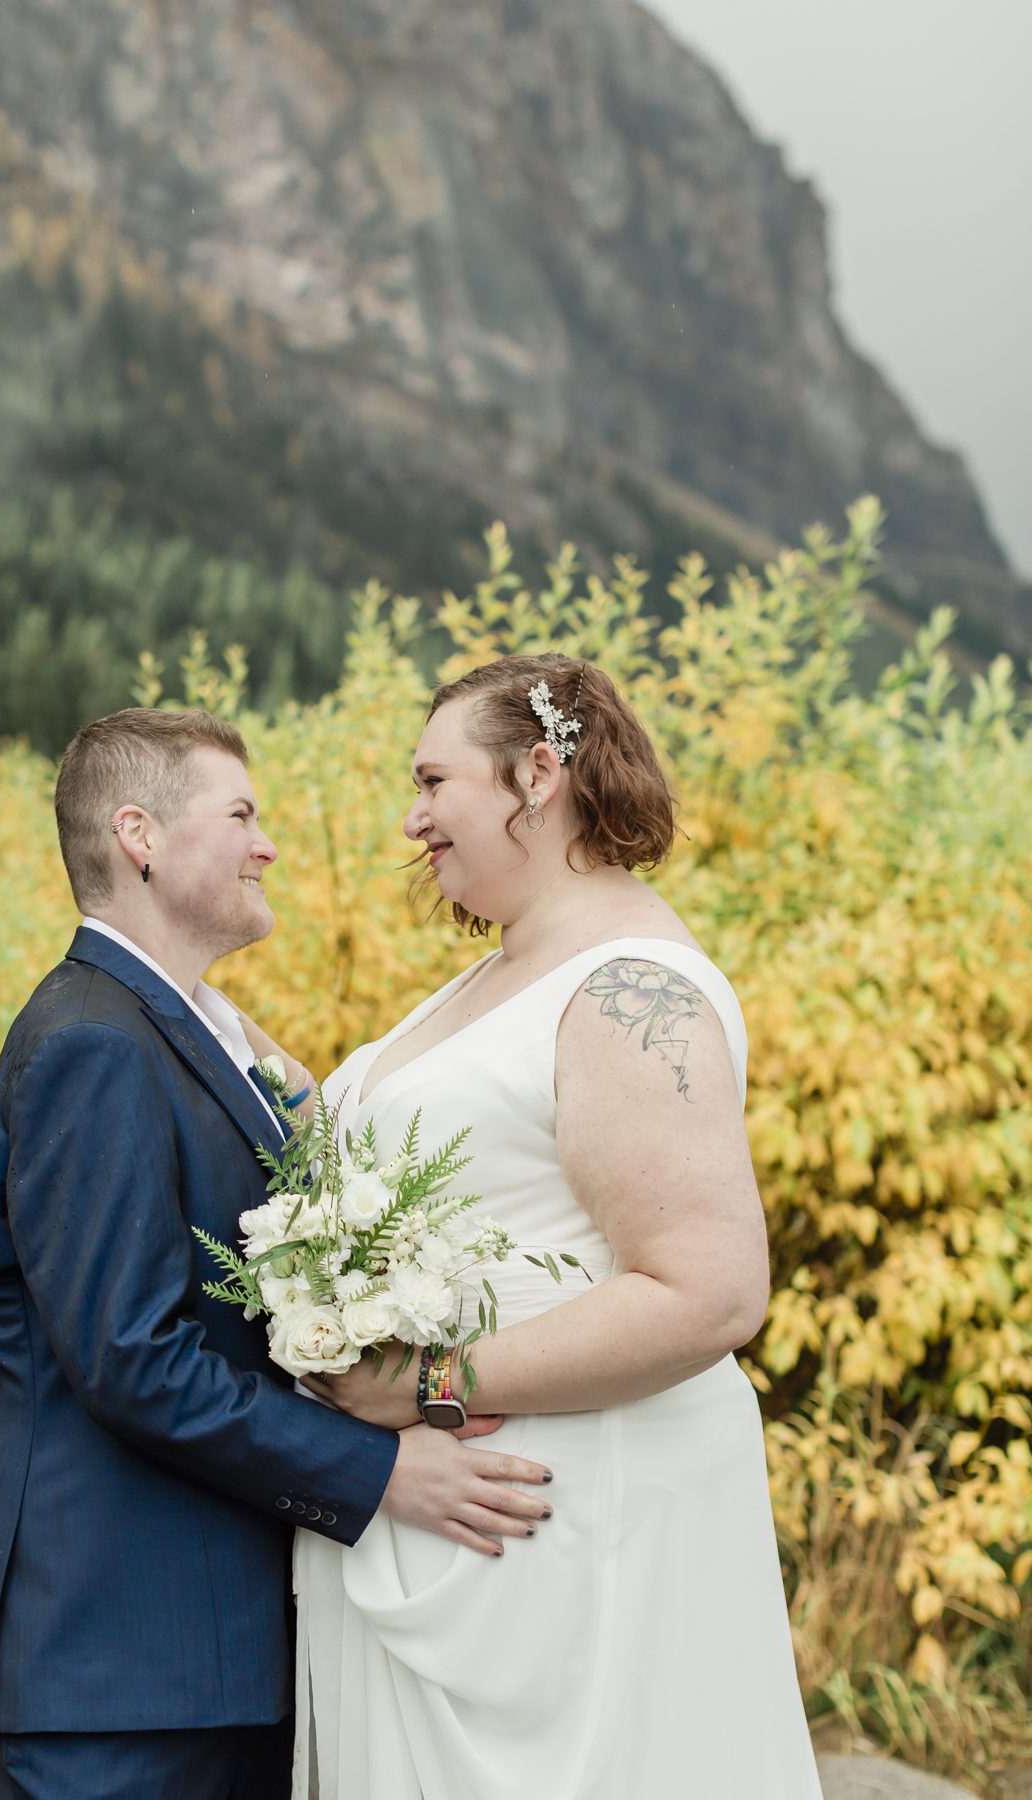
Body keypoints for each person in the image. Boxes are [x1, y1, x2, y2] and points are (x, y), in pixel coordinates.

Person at [0, 706, 554, 1800]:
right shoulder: (94, 1043)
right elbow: (133, 1358)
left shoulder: (182, 1028)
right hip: (112, 1670)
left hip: (192, 1657)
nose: (268, 844)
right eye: (241, 815)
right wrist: (380, 1473)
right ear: (139, 836)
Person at [295, 655, 821, 1799]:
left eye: (435, 782)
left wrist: (426, 1379)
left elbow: (712, 1290)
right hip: (455, 1528)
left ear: (537, 774)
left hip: (568, 1539)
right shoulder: (502, 970)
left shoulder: (635, 991)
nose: (412, 817)